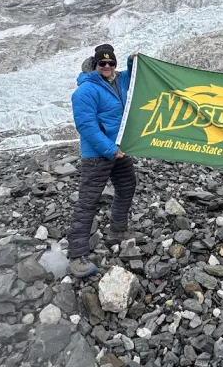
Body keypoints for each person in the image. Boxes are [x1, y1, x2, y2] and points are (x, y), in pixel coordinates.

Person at [67, 43, 140, 277]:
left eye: (111, 63)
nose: (107, 66)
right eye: (102, 63)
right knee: (88, 201)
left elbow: (134, 78)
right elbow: (86, 126)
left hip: (118, 148)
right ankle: (76, 255)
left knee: (127, 185)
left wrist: (132, 61)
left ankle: (117, 231)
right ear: (95, 64)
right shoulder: (85, 90)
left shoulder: (117, 80)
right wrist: (110, 149)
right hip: (98, 154)